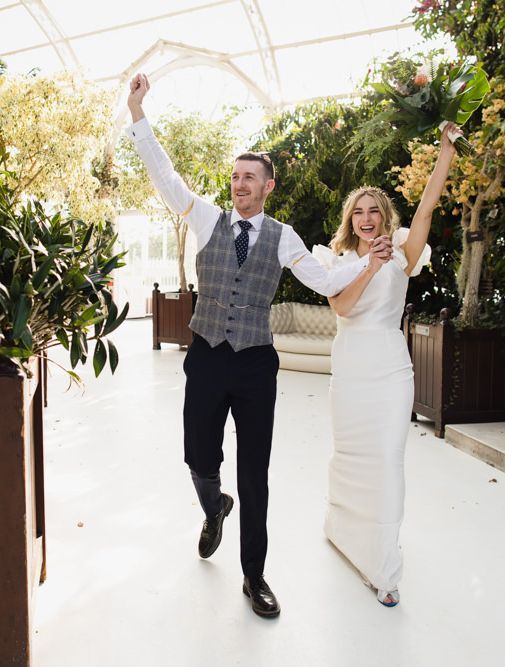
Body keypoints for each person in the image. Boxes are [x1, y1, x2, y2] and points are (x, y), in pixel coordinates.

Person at [126, 72, 393, 618]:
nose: (240, 185)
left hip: (254, 367)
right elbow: (165, 175)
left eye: (251, 178)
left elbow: (325, 282)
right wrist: (138, 114)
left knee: (255, 473)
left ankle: (254, 576)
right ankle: (212, 504)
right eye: (236, 177)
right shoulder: (205, 217)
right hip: (205, 357)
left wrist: (369, 262)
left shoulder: (284, 236)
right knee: (197, 454)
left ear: (268, 186)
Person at [313, 123, 461, 607]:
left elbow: (427, 207)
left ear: (384, 217)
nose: (367, 218)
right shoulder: (335, 258)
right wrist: (368, 266)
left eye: (374, 210)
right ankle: (344, 531)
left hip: (391, 369)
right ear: (350, 219)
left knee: (388, 460)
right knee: (352, 455)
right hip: (350, 367)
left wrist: (443, 153)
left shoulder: (403, 252)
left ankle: (384, 565)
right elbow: (342, 308)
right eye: (359, 211)